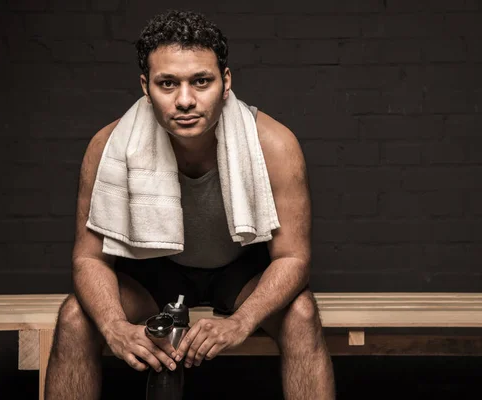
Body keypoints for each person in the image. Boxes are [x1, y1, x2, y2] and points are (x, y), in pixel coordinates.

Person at [44, 9, 336, 400]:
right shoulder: (108, 147)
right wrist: (114, 326)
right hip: (155, 268)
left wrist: (243, 322)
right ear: (146, 87)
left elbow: (293, 258)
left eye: (201, 81)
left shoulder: (275, 145)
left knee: (302, 314)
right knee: (75, 317)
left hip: (238, 271)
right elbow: (89, 259)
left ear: (226, 82)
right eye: (168, 83)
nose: (185, 100)